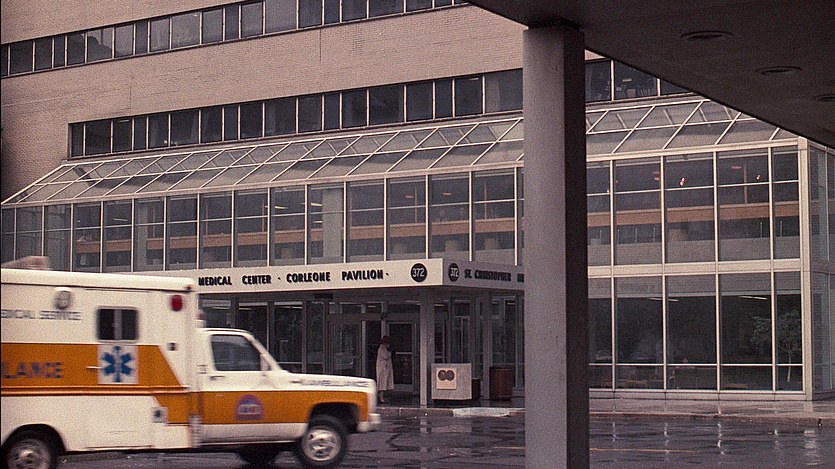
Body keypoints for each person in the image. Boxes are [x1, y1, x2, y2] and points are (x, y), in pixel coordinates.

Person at [375, 335, 394, 403]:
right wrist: (390, 353)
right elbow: (386, 356)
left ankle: (382, 396)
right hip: (382, 369)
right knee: (382, 383)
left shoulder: (385, 349)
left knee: (384, 382)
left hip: (386, 368)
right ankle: (381, 397)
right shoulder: (381, 349)